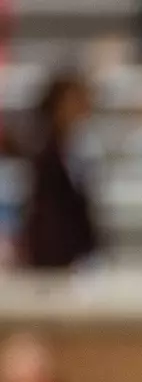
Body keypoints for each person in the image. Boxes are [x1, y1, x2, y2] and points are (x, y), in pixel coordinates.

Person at [14, 70, 101, 272]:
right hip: (51, 254)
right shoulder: (43, 150)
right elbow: (45, 210)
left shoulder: (77, 147)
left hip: (71, 253)